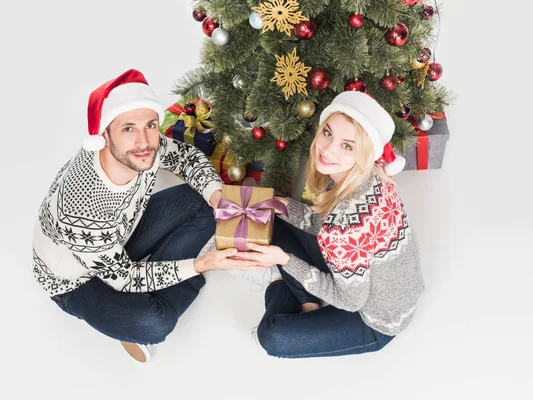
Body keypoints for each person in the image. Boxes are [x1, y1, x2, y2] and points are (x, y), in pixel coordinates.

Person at [32, 69, 263, 363]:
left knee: (206, 204)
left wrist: (216, 195)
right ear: (105, 134)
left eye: (150, 125)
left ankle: (156, 282)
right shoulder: (83, 206)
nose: (143, 141)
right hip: (76, 279)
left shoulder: (145, 148)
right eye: (128, 128)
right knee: (154, 324)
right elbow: (124, 278)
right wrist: (200, 264)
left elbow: (188, 159)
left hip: (118, 240)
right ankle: (135, 310)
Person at [236, 91, 424, 358]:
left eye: (347, 146)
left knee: (272, 337)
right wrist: (280, 204)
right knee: (272, 216)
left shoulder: (343, 229)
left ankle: (289, 290)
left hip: (376, 320)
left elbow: (350, 300)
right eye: (328, 133)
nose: (327, 149)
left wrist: (286, 260)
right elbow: (324, 224)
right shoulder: (371, 174)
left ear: (363, 153)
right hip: (382, 282)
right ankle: (307, 301)